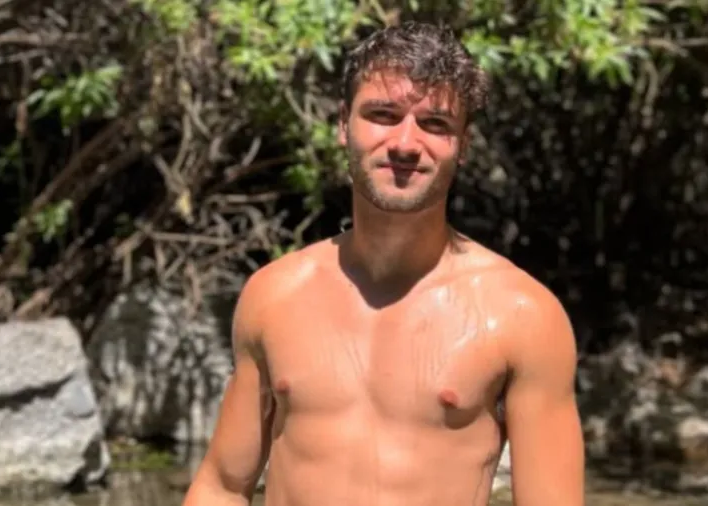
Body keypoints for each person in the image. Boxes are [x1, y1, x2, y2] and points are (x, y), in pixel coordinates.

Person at [182, 21, 585, 506]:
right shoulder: (275, 295)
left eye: (435, 124)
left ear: (464, 145)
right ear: (343, 125)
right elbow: (222, 487)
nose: (405, 143)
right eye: (382, 115)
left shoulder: (524, 316)